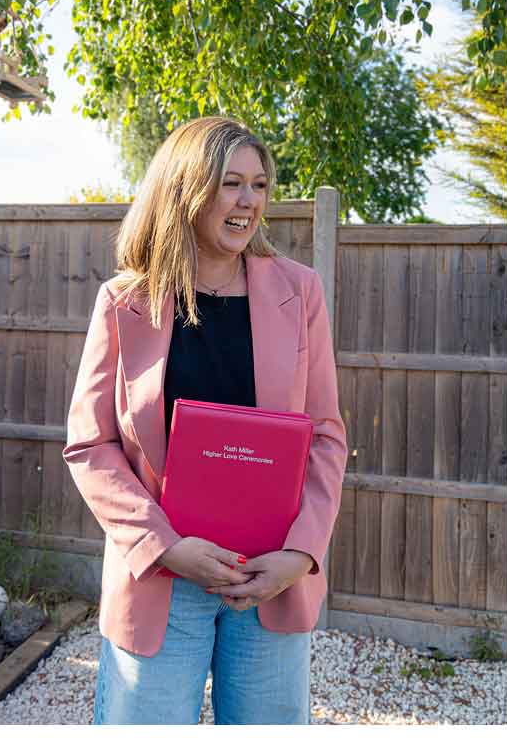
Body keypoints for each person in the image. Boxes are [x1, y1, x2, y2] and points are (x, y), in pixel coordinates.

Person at [62, 116, 348, 725]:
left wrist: (300, 554)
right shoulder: (124, 302)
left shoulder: (301, 293)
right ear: (186, 189)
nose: (249, 201)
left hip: (268, 581)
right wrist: (166, 547)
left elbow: (325, 436)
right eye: (230, 183)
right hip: (163, 578)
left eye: (260, 185)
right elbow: (91, 446)